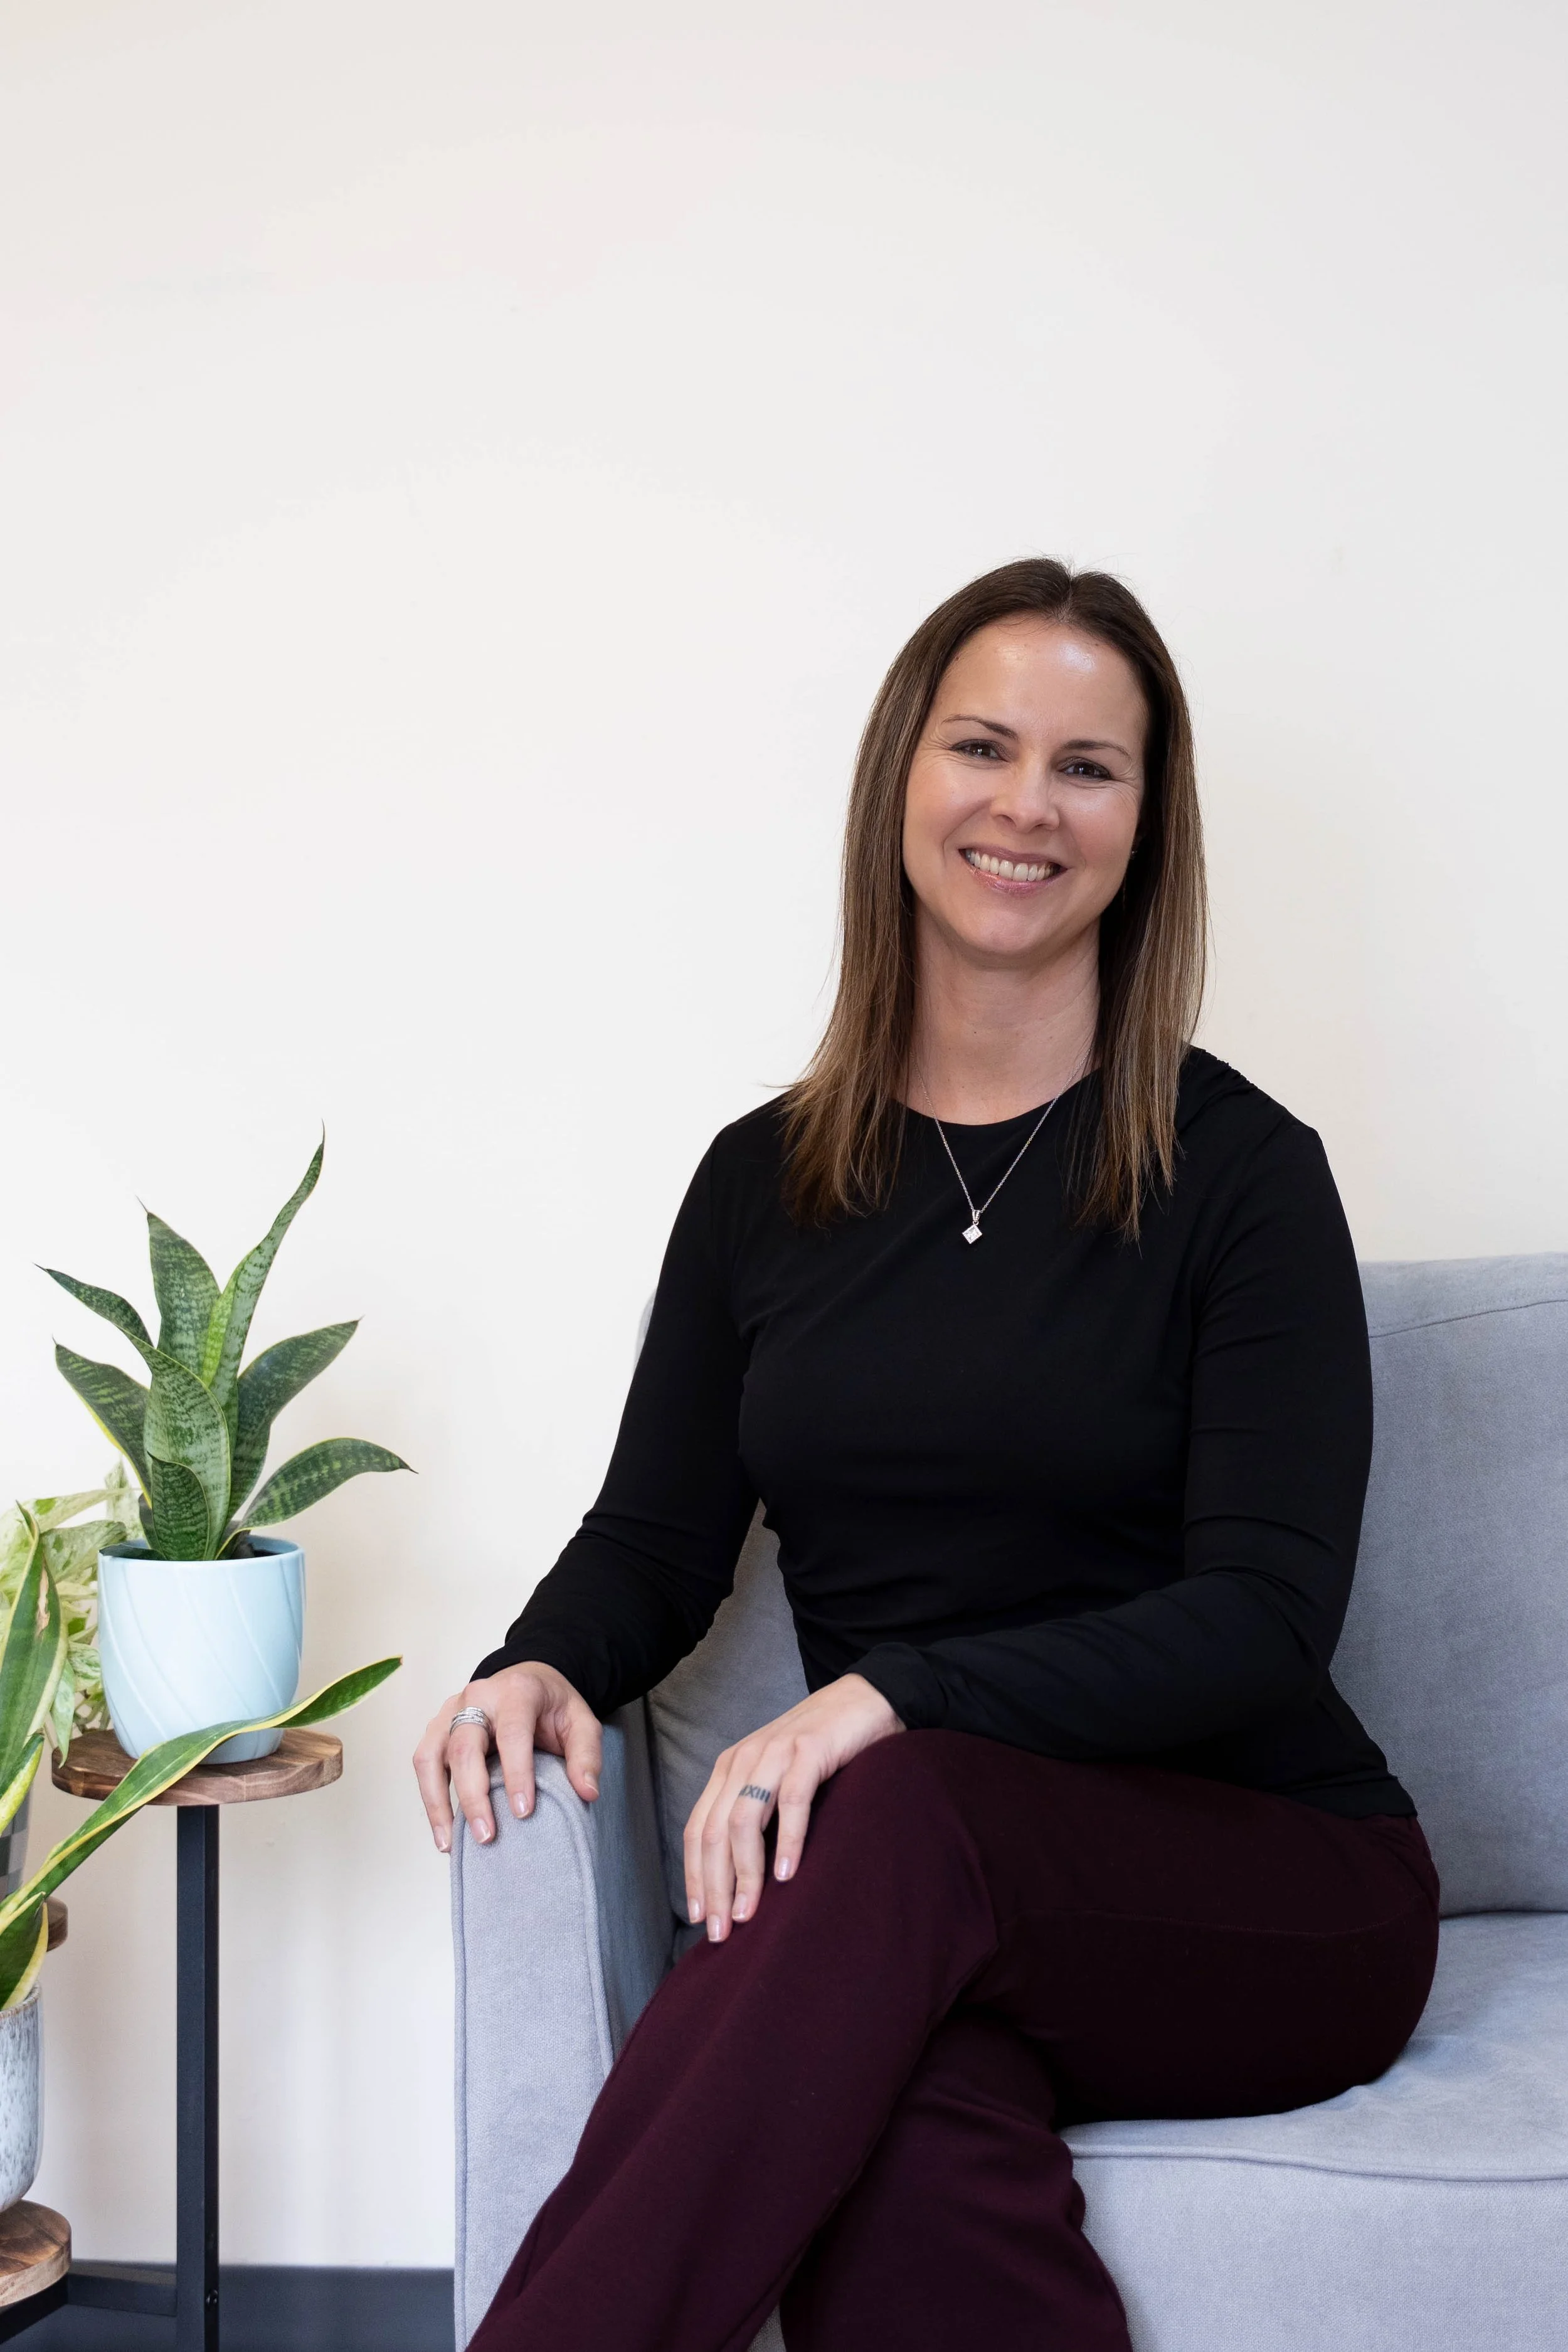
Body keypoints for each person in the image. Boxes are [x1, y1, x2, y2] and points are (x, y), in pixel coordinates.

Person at [415, 558, 1439, 2352]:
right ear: (901, 778)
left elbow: (1260, 1618)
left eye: (1087, 765)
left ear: (1146, 821)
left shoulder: (1244, 1178)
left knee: (876, 1815)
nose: (1024, 804)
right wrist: (537, 1657)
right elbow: (657, 1532)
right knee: (902, 2144)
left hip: (1265, 1885)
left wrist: (891, 1694)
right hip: (916, 1896)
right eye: (981, 744)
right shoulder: (764, 1181)